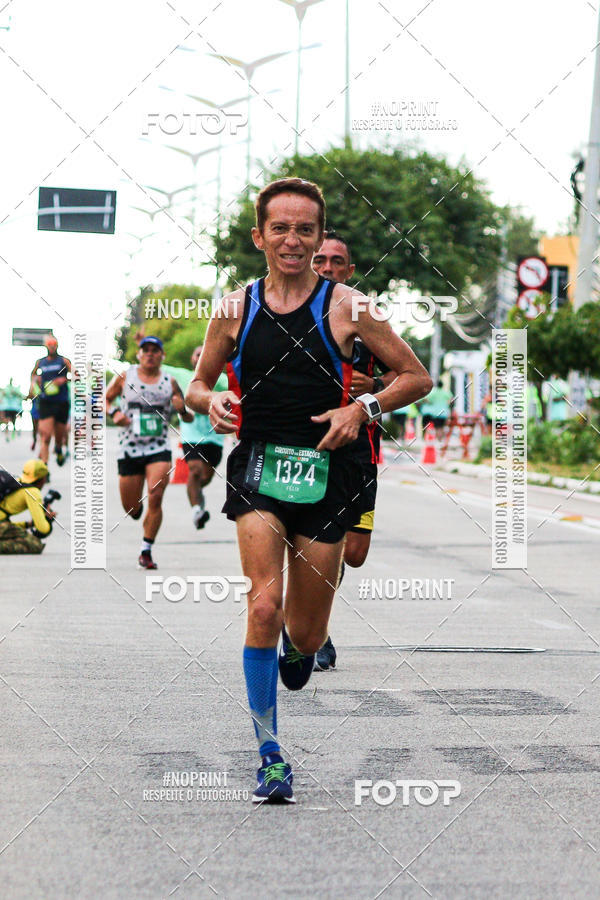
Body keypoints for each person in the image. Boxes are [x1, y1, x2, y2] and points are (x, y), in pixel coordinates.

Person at [186, 177, 432, 803]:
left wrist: (363, 409)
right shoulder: (233, 308)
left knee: (308, 633)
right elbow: (196, 385)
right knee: (263, 606)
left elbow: (416, 376)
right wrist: (211, 400)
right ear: (259, 237)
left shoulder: (350, 306)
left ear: (320, 237)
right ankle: (269, 752)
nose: (292, 240)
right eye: (280, 228)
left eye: (305, 229)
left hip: (330, 475)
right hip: (259, 465)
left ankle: (300, 650)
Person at [312, 233, 400, 671]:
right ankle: (313, 628)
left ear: (349, 270)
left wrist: (374, 390)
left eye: (336, 261)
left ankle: (308, 617)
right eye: (320, 260)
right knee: (308, 544)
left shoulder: (364, 320)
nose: (327, 267)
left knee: (353, 554)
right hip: (306, 451)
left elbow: (410, 377)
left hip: (359, 455)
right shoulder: (289, 317)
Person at [105, 336, 193, 569]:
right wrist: (114, 414)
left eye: (155, 350)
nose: (150, 354)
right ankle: (137, 511)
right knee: (132, 508)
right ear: (139, 354)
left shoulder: (169, 382)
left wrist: (181, 409)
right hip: (129, 448)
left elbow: (189, 416)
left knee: (155, 494)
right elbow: (103, 400)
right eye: (146, 350)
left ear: (162, 355)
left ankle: (146, 550)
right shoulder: (126, 376)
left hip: (159, 448)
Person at [163, 345, 228, 530]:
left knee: (204, 478)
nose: (200, 357)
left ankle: (198, 501)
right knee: (195, 471)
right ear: (192, 358)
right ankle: (197, 511)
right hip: (191, 435)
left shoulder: (223, 380)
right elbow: (156, 366)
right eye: (197, 354)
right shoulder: (182, 376)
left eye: (203, 354)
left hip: (215, 437)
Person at [30, 336, 71, 465]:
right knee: (45, 436)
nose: (52, 346)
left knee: (59, 436)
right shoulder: (40, 362)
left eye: (54, 344)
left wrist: (64, 379)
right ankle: (44, 467)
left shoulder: (63, 361)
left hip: (61, 402)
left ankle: (58, 449)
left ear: (57, 345)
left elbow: (77, 375)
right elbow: (33, 374)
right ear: (46, 346)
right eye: (49, 344)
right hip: (46, 402)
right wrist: (34, 382)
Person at [0, 459, 55, 553]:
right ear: (42, 479)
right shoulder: (32, 492)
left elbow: (6, 523)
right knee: (35, 545)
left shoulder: (16, 482)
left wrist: (29, 524)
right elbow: (43, 529)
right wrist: (49, 519)